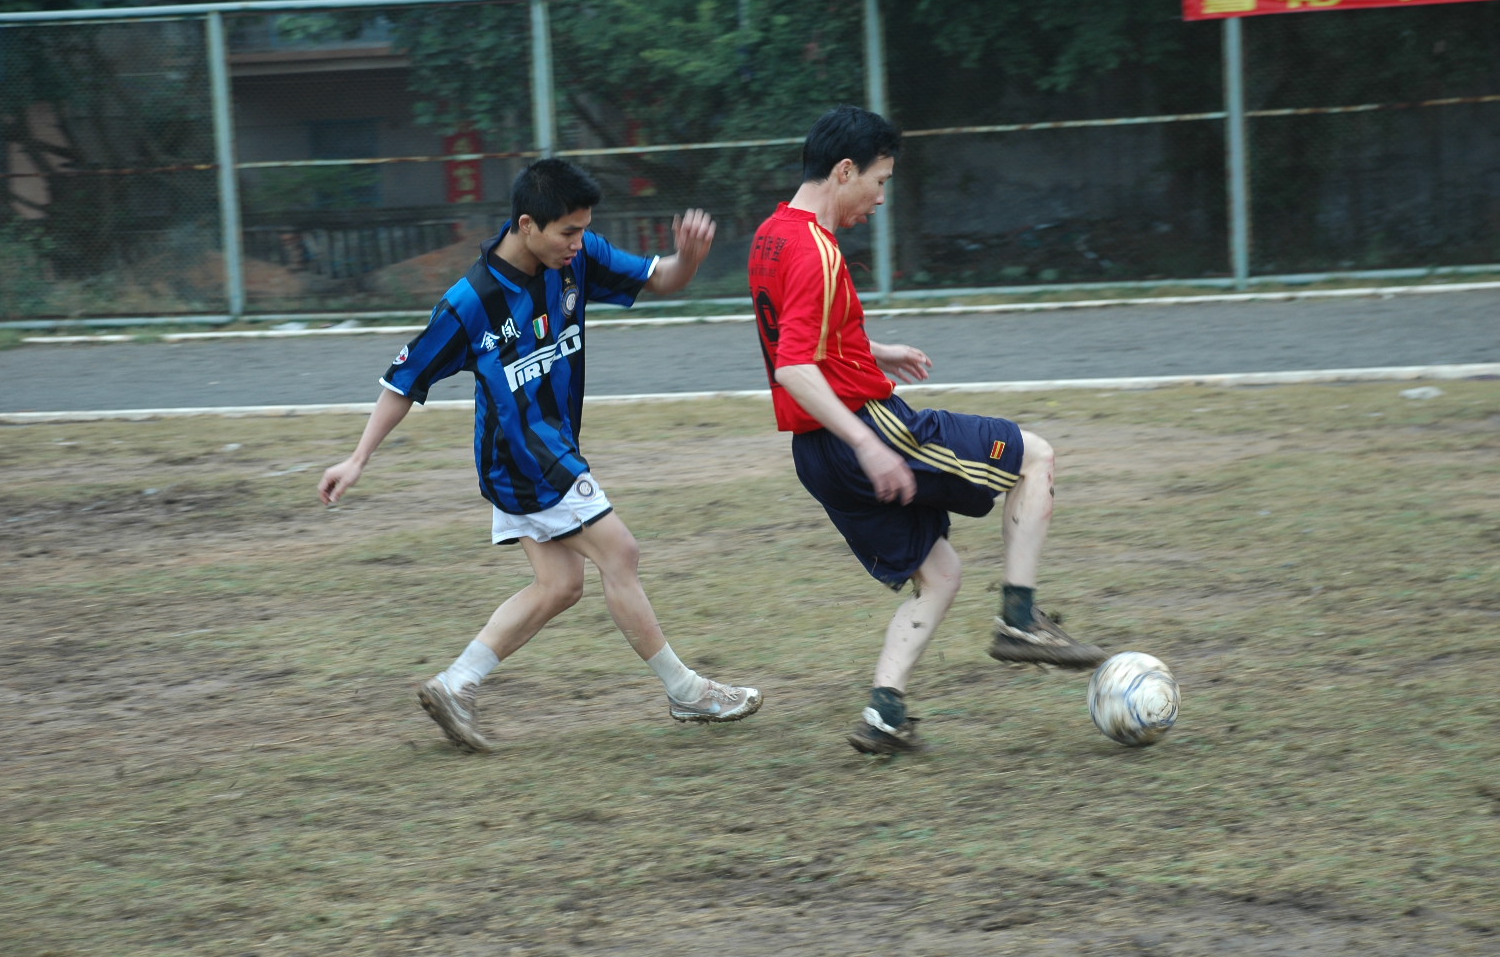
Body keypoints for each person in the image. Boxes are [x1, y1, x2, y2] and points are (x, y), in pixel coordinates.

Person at [320, 157, 762, 754]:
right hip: (523, 457)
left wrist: (689, 259)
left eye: (584, 230)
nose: (578, 243)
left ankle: (455, 684)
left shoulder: (575, 259)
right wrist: (357, 459)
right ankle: (687, 691)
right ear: (527, 225)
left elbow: (661, 279)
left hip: (545, 448)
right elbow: (405, 381)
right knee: (620, 552)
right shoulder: (470, 302)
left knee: (560, 584)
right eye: (567, 232)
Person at [748, 105, 1104, 756]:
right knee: (1035, 457)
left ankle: (885, 712)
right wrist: (868, 444)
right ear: (845, 170)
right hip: (866, 429)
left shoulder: (772, 234)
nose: (881, 198)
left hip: (814, 454)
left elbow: (803, 334)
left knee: (939, 572)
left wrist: (875, 351)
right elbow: (794, 366)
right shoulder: (818, 250)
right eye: (879, 181)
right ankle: (1020, 620)